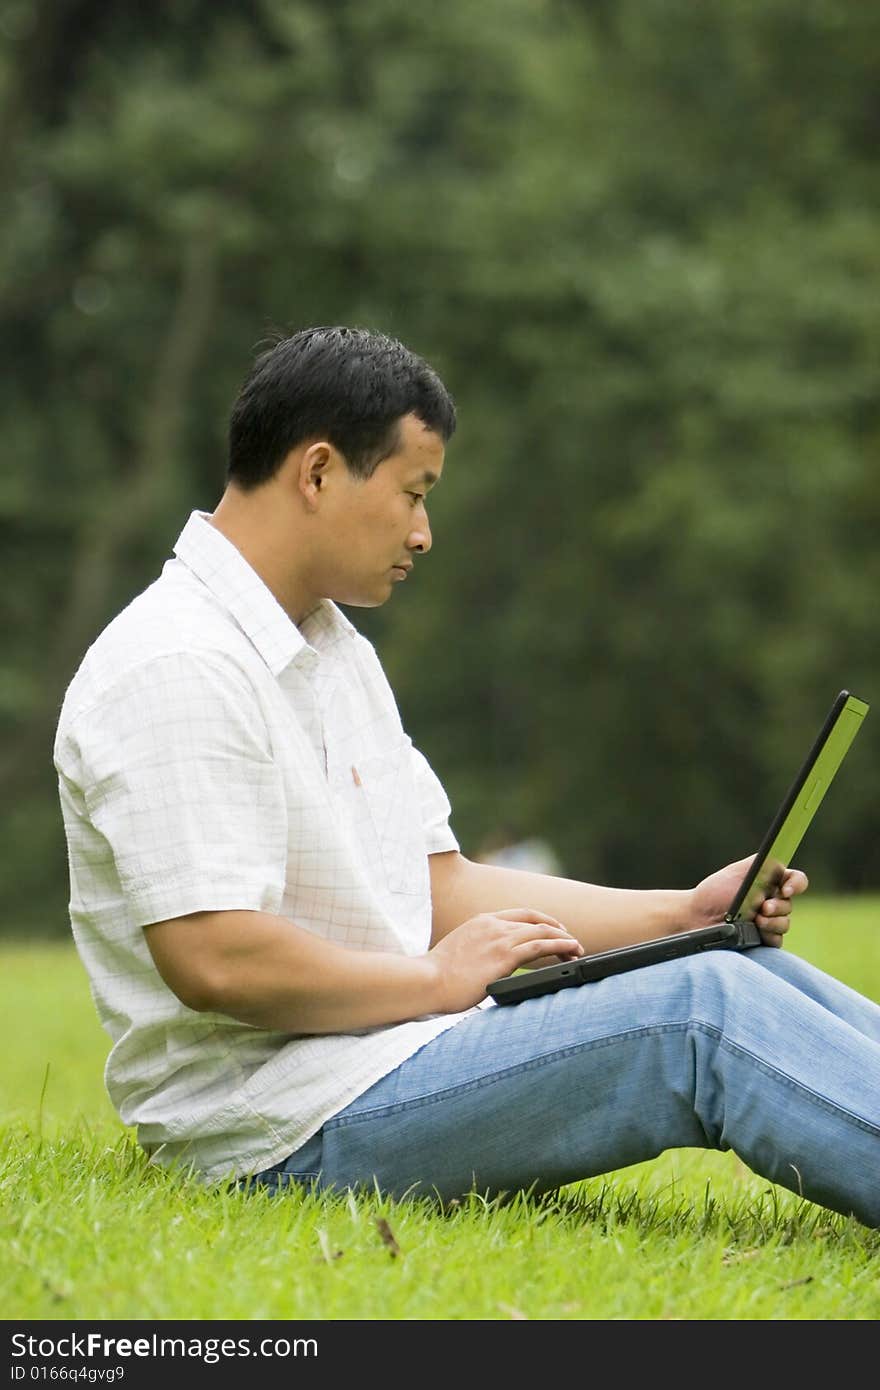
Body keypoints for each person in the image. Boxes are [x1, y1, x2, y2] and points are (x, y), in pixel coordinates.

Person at [53, 326, 880, 1228]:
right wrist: (438, 982)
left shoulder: (331, 652)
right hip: (281, 1124)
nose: (423, 532)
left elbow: (437, 884)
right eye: (413, 493)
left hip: (393, 1054)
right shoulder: (177, 662)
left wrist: (682, 915)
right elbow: (214, 957)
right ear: (319, 472)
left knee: (730, 964)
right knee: (702, 1011)